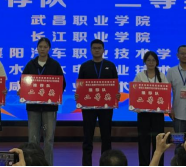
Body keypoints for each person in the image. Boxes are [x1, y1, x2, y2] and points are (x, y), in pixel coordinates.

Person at [21, 37, 67, 167]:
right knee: (33, 139)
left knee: (49, 139)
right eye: (40, 46)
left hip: (50, 108)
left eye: (45, 47)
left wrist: (54, 94)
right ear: (37, 48)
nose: (42, 49)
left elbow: (62, 84)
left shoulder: (55, 65)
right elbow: (23, 82)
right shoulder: (30, 64)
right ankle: (32, 164)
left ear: (49, 48)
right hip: (33, 108)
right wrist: (23, 91)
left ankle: (47, 164)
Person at [77, 39, 121, 167]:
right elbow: (80, 86)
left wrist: (117, 94)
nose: (97, 50)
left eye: (99, 48)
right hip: (88, 107)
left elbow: (115, 85)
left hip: (106, 107)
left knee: (106, 137)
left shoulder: (110, 65)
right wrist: (78, 95)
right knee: (87, 137)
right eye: (94, 48)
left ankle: (107, 163)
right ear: (91, 50)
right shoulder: (85, 66)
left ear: (103, 50)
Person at [134, 51, 170, 166]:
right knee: (143, 140)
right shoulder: (140, 75)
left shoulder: (162, 76)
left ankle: (158, 163)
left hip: (157, 114)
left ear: (157, 62)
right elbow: (134, 93)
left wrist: (166, 107)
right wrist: (135, 107)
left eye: (153, 60)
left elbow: (166, 93)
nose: (151, 62)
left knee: (158, 140)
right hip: (143, 113)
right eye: (148, 60)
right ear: (145, 62)